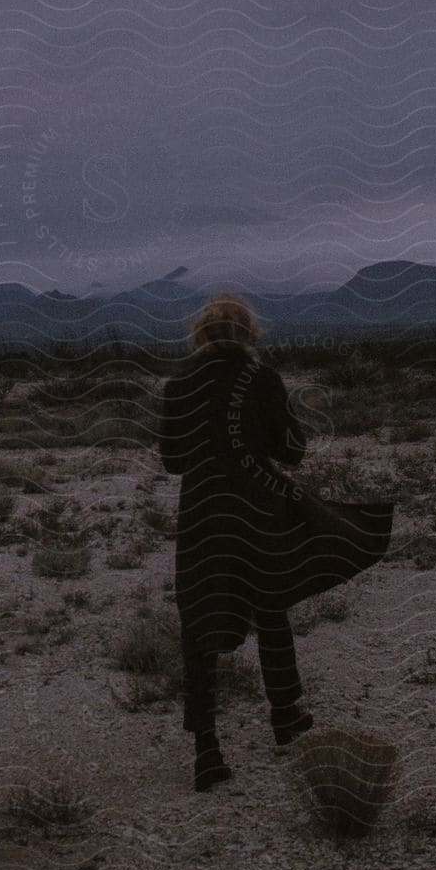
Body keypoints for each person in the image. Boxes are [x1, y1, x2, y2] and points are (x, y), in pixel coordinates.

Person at [156, 293, 312, 792]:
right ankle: (285, 717)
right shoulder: (263, 380)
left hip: (202, 515)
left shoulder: (179, 384)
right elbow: (293, 452)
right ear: (249, 333)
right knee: (272, 610)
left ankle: (207, 751)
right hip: (257, 510)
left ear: (200, 334)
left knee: (199, 628)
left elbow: (173, 461)